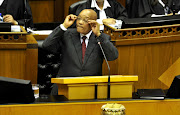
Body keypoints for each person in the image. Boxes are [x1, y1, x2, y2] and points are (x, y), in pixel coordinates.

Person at [42, 9, 118, 94]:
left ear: (93, 22)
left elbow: (113, 56)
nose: (80, 22)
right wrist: (64, 26)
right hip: (64, 87)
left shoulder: (101, 38)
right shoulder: (67, 35)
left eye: (85, 20)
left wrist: (98, 35)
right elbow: (46, 45)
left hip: (91, 88)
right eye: (79, 19)